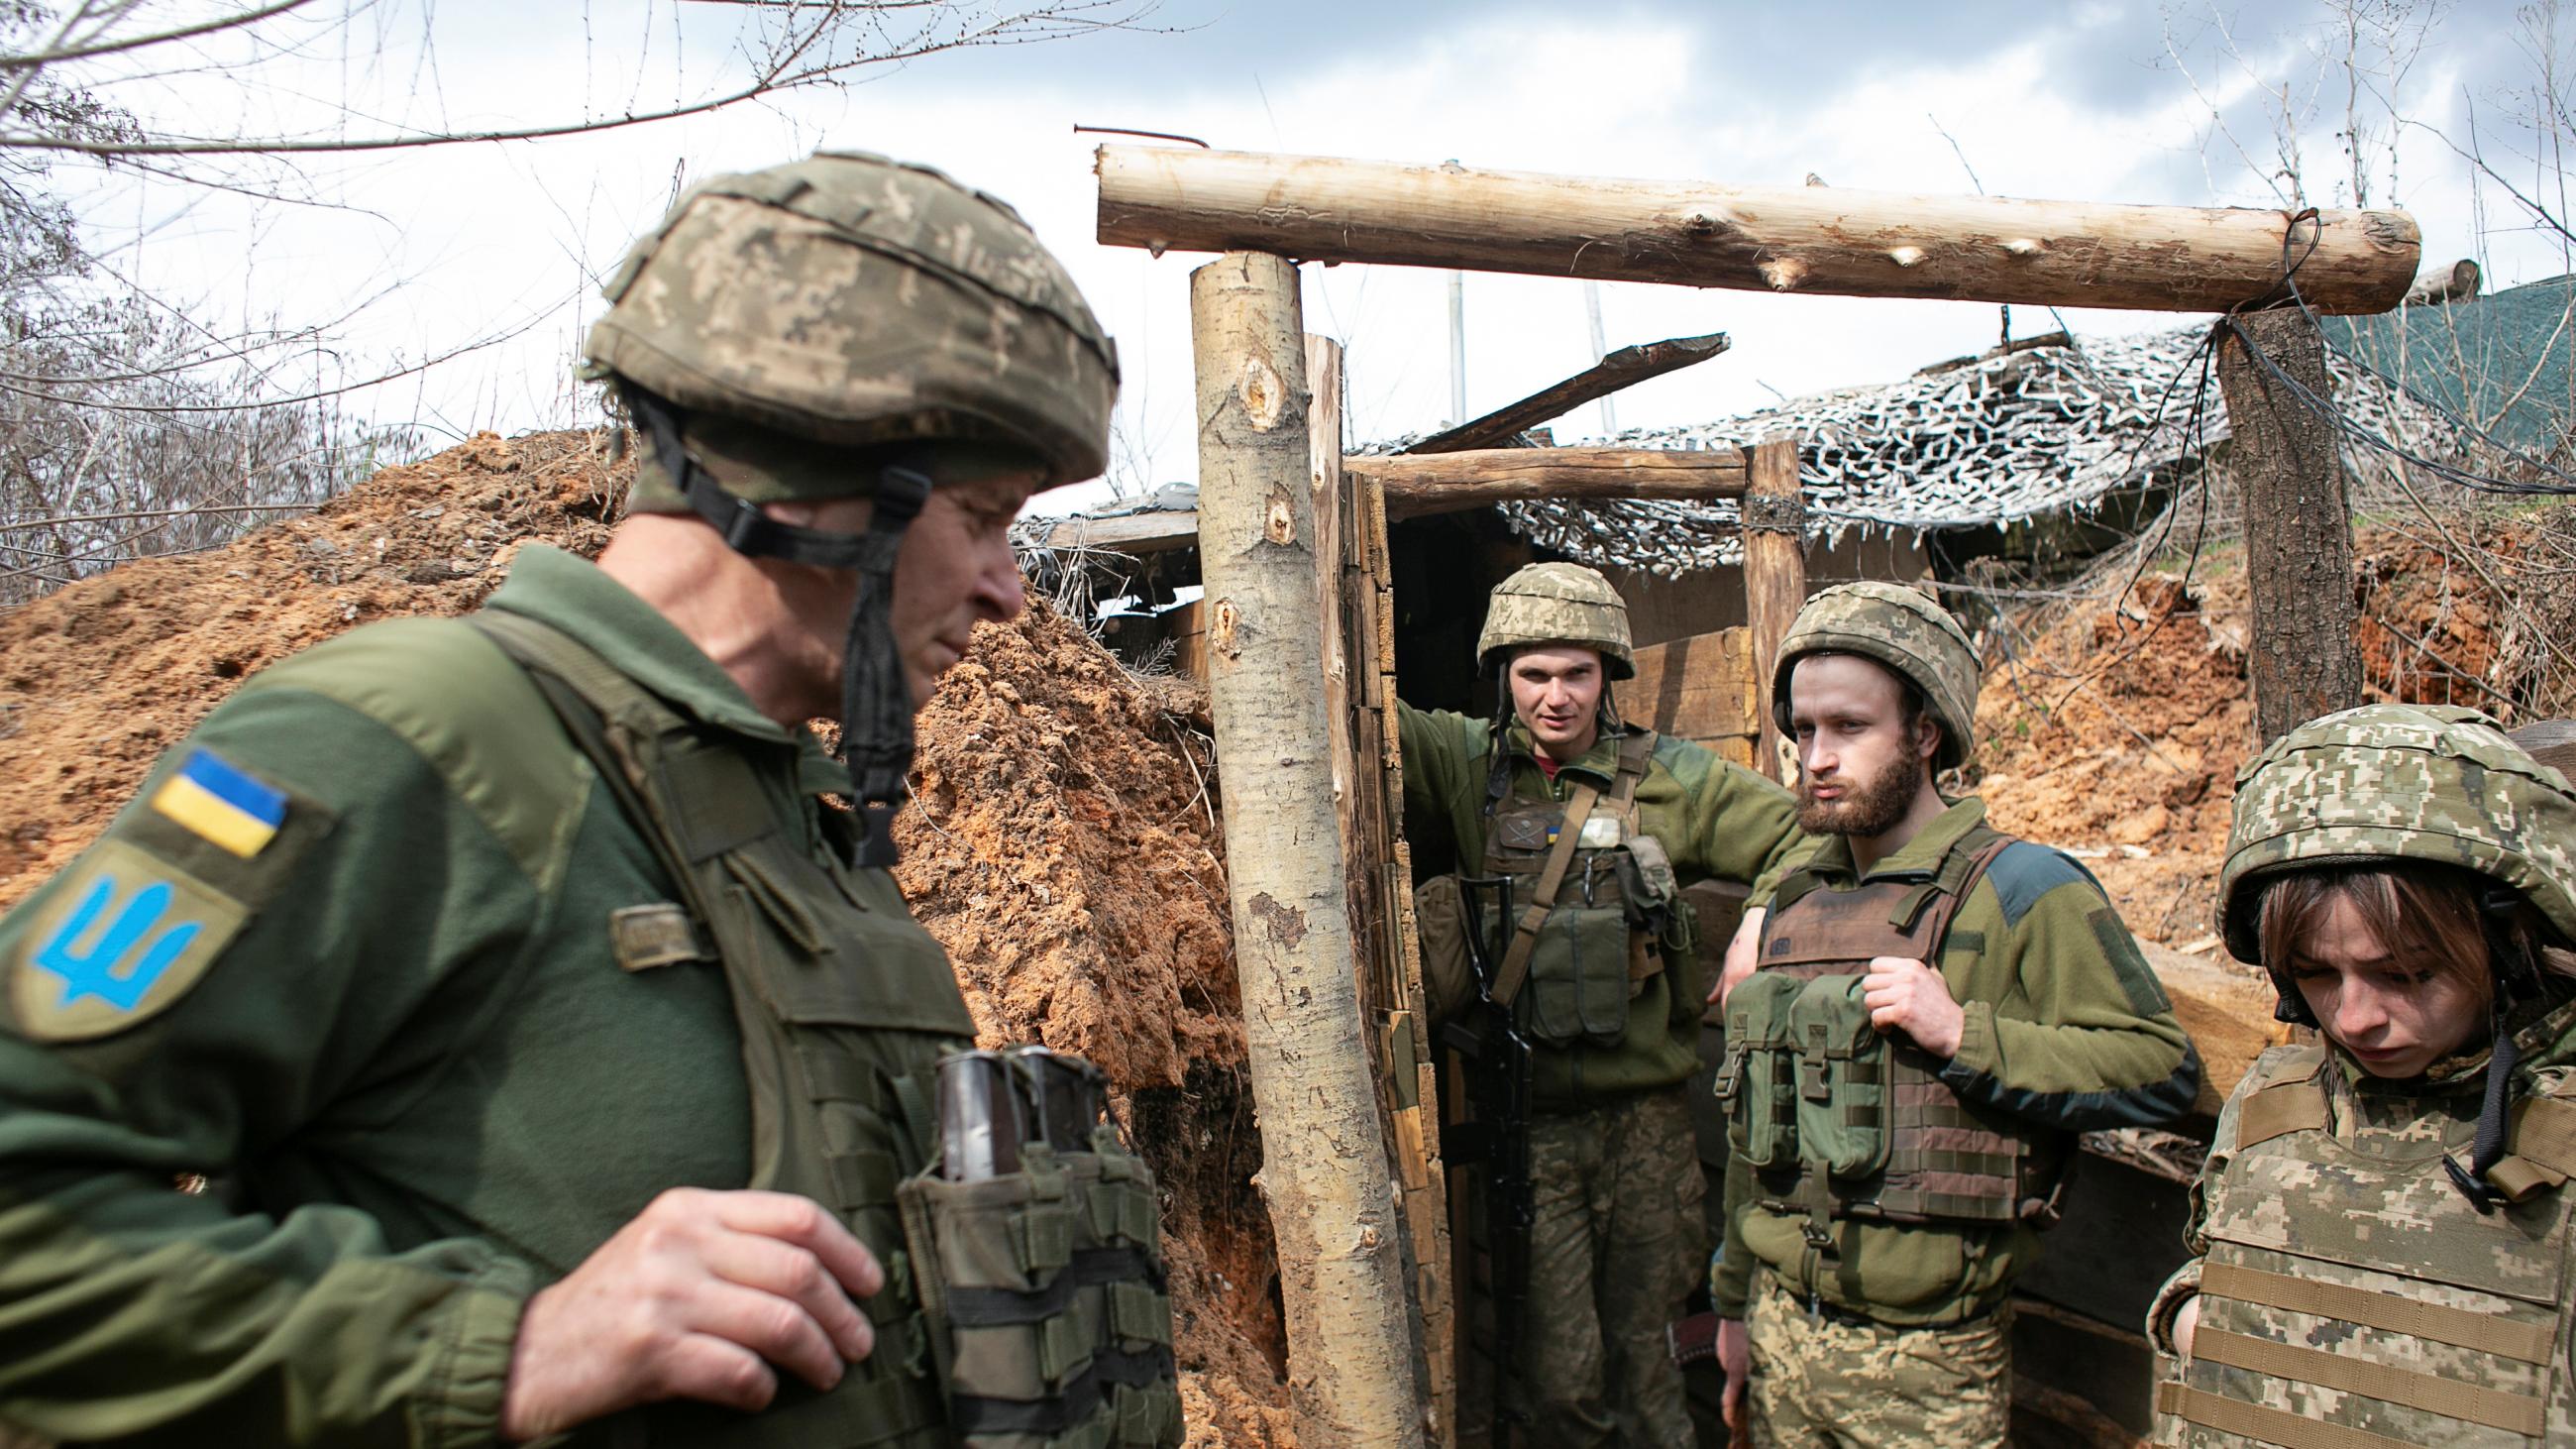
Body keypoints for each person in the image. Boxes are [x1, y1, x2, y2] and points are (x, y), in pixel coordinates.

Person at [0, 152, 1181, 1447]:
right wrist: (505, 1347)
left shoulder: (795, 811)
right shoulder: (423, 740)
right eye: (981, 516)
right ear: (809, 493)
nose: (1011, 588)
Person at [1711, 581, 2200, 1448]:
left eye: (1850, 728)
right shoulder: (1791, 900)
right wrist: (1735, 1306)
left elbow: (2159, 1068)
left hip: (1928, 1362)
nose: (1817, 756)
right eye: (1805, 731)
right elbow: (1762, 1132)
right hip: (1784, 1331)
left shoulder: (2019, 888)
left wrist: (1962, 1033)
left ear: (1926, 733)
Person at [1400, 561, 1804, 1447]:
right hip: (1533, 1129)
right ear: (1503, 674)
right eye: (1534, 673)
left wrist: (1757, 922)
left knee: (1652, 1363)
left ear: (1608, 676)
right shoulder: (1472, 766)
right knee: (1561, 1380)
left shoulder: (1672, 779)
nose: (1555, 697)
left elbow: (1798, 835)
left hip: (1650, 1129)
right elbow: (1357, 711)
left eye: (1576, 673)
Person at [2147, 703, 2576, 1448]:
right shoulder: (2278, 1097)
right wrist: (2188, 1315)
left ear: (2508, 943)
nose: (2352, 1018)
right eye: (2315, 973)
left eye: (2405, 973)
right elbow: (2222, 1263)